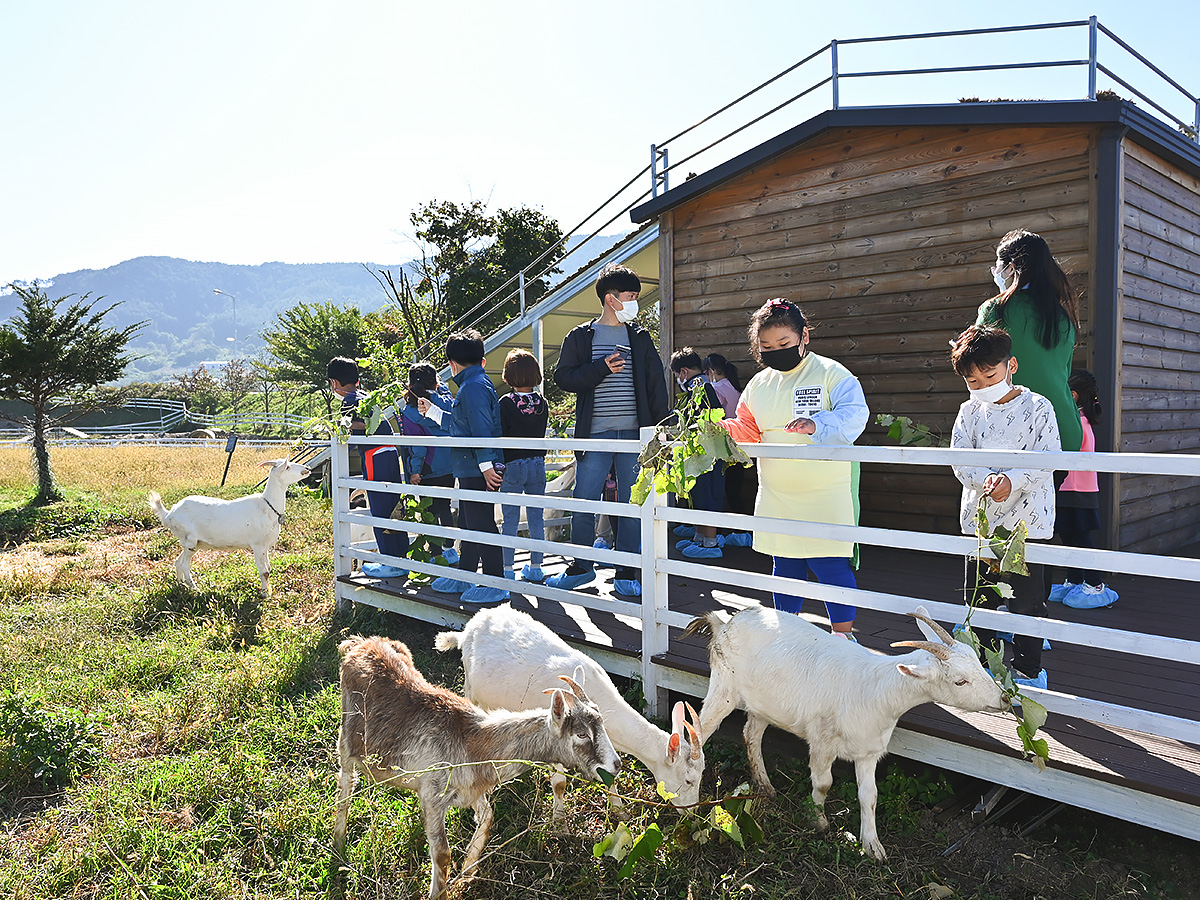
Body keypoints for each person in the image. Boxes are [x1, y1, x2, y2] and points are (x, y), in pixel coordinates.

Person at [718, 299, 869, 638]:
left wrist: (817, 424)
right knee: (785, 563)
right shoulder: (759, 384)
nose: (775, 351)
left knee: (830, 562)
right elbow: (747, 428)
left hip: (827, 490)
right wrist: (718, 429)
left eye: (783, 344)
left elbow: (856, 415)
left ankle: (843, 636)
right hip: (777, 490)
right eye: (766, 347)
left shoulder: (832, 373)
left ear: (804, 337)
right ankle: (786, 634)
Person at [547, 263, 670, 597]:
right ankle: (581, 568)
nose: (635, 303)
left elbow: (657, 386)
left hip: (634, 436)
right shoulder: (580, 336)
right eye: (631, 296)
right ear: (610, 299)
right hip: (595, 435)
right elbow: (563, 378)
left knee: (632, 505)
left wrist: (664, 431)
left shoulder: (640, 338)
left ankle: (627, 573)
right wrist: (600, 368)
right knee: (584, 502)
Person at [949, 325, 1059, 690]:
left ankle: (1028, 670)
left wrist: (1012, 479)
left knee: (1027, 602)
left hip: (1027, 524)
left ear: (1011, 365)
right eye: (973, 380)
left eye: (990, 375)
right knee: (979, 599)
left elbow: (1047, 458)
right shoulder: (968, 411)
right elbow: (959, 460)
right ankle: (982, 666)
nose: (982, 384)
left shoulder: (1038, 406)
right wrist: (987, 481)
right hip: (981, 525)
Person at [417, 330, 508, 605]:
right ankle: (467, 574)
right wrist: (433, 411)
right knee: (470, 522)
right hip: (473, 466)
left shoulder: (473, 387)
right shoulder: (474, 384)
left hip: (478, 467)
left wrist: (485, 464)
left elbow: (481, 429)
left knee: (481, 523)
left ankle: (495, 581)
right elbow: (463, 425)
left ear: (452, 363)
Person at [976, 229, 1083, 455]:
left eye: (997, 267)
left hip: (1013, 433)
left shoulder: (996, 310)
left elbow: (977, 369)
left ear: (1011, 268)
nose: (995, 273)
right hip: (1063, 432)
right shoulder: (1062, 317)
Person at [327, 356, 408, 580]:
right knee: (394, 506)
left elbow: (359, 427)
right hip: (391, 452)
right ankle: (401, 556)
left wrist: (341, 427)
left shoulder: (349, 401)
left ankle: (390, 561)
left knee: (380, 509)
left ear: (334, 383)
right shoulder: (366, 396)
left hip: (374, 455)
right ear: (358, 380)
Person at [669, 347, 750, 560]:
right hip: (704, 452)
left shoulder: (702, 387)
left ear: (684, 371)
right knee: (699, 493)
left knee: (708, 495)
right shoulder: (705, 385)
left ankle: (710, 543)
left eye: (678, 375)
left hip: (709, 451)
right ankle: (700, 537)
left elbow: (711, 418)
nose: (678, 379)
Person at [1050, 369, 1119, 608]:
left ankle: (1095, 584)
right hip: (1073, 488)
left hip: (1075, 488)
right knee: (1070, 535)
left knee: (1080, 537)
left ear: (1073, 395)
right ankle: (1075, 580)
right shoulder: (1081, 419)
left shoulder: (1076, 421)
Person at [498, 349, 550, 583]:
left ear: (509, 375)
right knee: (536, 518)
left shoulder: (506, 403)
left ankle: (507, 569)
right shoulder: (542, 403)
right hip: (538, 464)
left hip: (513, 465)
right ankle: (536, 567)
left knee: (510, 519)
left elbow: (501, 436)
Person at [400, 362, 458, 566]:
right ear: (435, 381)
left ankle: (436, 555)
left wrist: (414, 471)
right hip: (450, 464)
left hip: (427, 467)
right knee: (445, 507)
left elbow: (418, 447)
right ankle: (450, 550)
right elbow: (449, 402)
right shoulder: (446, 402)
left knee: (430, 512)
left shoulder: (409, 412)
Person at [703, 352, 747, 514]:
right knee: (735, 490)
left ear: (712, 371)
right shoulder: (735, 388)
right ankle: (742, 532)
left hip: (723, 446)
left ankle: (717, 530)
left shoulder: (715, 389)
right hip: (740, 444)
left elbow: (712, 417)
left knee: (719, 490)